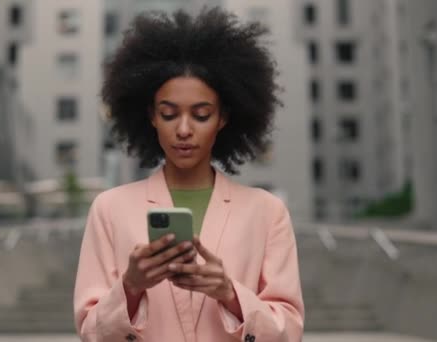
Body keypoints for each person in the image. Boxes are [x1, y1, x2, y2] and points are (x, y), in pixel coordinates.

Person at [74, 7, 304, 342]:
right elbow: (89, 331)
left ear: (223, 118)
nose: (184, 130)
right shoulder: (109, 209)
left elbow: (290, 330)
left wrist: (230, 294)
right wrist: (131, 287)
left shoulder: (267, 213)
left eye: (201, 114)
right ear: (151, 116)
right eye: (169, 114)